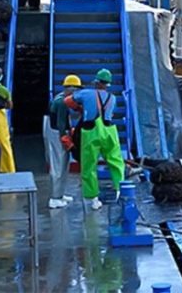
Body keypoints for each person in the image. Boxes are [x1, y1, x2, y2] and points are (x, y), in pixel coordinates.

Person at [64, 69, 125, 211]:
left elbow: (68, 101)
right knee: (116, 162)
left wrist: (80, 107)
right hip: (109, 131)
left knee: (89, 166)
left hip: (90, 131)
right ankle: (120, 191)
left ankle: (93, 199)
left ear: (96, 82)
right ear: (108, 84)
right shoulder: (113, 98)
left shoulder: (86, 93)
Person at [44, 74, 83, 209]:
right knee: (58, 165)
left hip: (57, 130)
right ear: (71, 89)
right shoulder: (61, 102)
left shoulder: (62, 98)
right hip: (56, 133)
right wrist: (64, 137)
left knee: (64, 163)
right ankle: (54, 198)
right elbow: (60, 123)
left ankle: (60, 194)